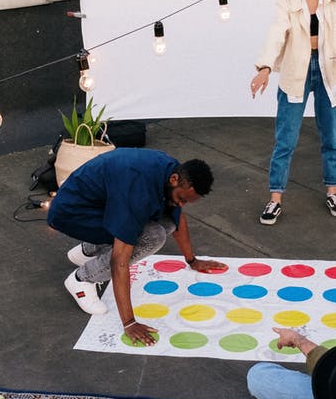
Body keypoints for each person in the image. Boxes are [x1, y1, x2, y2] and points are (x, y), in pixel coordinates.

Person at [47, 147, 226, 346]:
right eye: (182, 199)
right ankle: (81, 280)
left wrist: (192, 260)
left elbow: (177, 220)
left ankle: (87, 251)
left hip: (100, 205)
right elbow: (120, 260)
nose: (182, 204)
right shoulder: (137, 188)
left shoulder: (172, 172)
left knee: (167, 222)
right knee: (153, 237)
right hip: (71, 213)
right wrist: (129, 322)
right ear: (174, 179)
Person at [250, 0, 336, 226]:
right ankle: (275, 199)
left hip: (328, 70)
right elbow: (277, 32)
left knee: (331, 138)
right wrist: (264, 67)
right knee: (285, 139)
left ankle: (333, 192)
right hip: (295, 71)